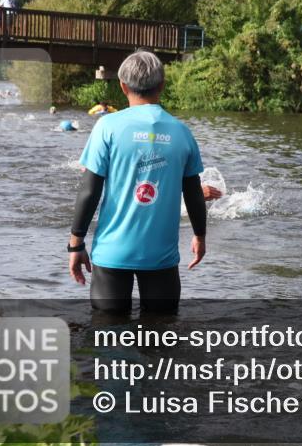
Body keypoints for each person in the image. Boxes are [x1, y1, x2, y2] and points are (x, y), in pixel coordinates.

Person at [68, 50, 208, 314]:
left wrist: (76, 244)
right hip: (161, 256)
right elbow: (193, 193)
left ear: (123, 86)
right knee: (161, 331)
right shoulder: (182, 132)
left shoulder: (107, 127)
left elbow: (89, 191)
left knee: (106, 330)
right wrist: (200, 235)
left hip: (112, 253)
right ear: (162, 85)